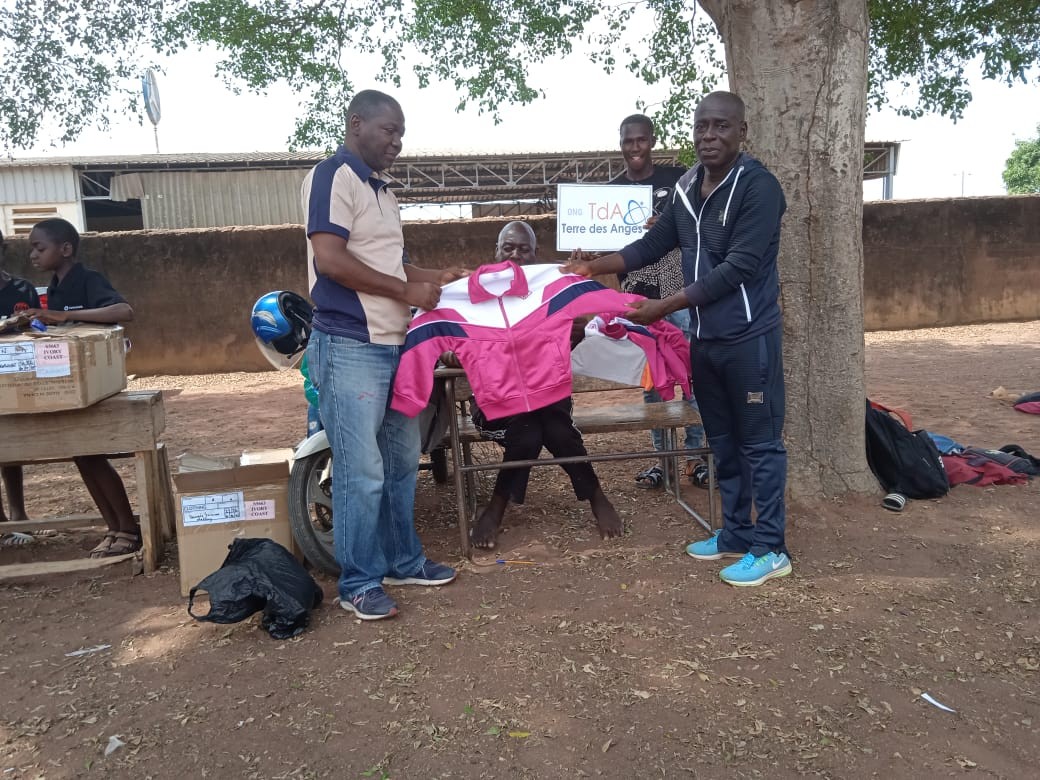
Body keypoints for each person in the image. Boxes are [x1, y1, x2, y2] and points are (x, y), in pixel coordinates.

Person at [563, 91, 792, 587]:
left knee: (760, 445)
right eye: (702, 127)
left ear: (742, 132)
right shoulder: (687, 186)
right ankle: (734, 533)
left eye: (721, 127)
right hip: (705, 341)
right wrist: (592, 267)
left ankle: (772, 547)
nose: (709, 136)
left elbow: (740, 268)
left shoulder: (759, 187)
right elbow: (651, 244)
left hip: (749, 338)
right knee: (725, 443)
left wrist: (664, 307)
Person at [301, 89, 466, 621]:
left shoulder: (383, 191)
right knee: (361, 468)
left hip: (396, 346)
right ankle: (358, 581)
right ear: (356, 124)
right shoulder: (332, 177)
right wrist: (406, 292)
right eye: (388, 130)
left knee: (398, 463)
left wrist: (435, 279)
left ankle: (402, 560)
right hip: (351, 344)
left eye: (401, 133)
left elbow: (395, 268)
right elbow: (330, 261)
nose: (397, 141)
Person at [446, 221, 623, 550]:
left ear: (535, 255)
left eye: (523, 249)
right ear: (496, 252)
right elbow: (446, 339)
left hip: (546, 400)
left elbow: (566, 344)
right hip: (497, 404)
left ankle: (497, 510)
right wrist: (452, 354)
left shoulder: (549, 292)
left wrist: (577, 332)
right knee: (535, 431)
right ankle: (594, 497)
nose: (515, 255)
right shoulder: (472, 296)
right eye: (508, 248)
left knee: (548, 427)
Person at [20, 218, 140, 557]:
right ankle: (114, 527)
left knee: (93, 455)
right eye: (32, 248)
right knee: (82, 455)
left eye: (39, 248)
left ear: (66, 249)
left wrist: (63, 316)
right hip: (66, 386)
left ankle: (129, 530)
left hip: (94, 386)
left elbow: (124, 311)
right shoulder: (54, 287)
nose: (33, 255)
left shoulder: (88, 280)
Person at [607, 114, 707, 489]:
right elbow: (606, 247)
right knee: (654, 379)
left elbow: (701, 225)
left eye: (641, 140)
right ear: (620, 143)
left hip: (681, 295)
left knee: (694, 375)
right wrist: (585, 250)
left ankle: (696, 460)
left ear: (651, 140)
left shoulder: (678, 180)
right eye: (628, 141)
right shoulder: (609, 193)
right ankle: (662, 461)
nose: (635, 147)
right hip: (635, 299)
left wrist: (668, 226)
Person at [0, 228, 38, 529]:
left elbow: (38, 329)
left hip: (16, 376)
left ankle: (18, 514)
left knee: (11, 447)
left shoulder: (21, 289)